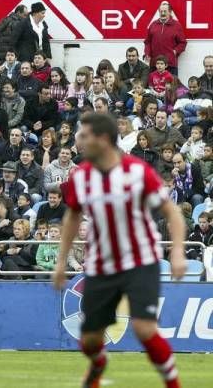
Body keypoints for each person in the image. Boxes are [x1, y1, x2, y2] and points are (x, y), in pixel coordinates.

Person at [53, 112, 186, 388]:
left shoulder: (137, 172)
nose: (79, 141)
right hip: (102, 264)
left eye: (84, 136)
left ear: (102, 139)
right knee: (89, 338)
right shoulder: (82, 176)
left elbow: (171, 211)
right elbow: (72, 218)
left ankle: (172, 381)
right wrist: (61, 260)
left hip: (141, 260)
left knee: (144, 328)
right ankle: (99, 362)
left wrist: (177, 252)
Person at [144, 1, 186, 75]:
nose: (163, 13)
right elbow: (147, 42)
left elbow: (182, 43)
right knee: (154, 86)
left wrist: (175, 51)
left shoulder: (176, 25)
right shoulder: (153, 25)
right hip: (155, 64)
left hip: (170, 64)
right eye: (161, 11)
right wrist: (147, 53)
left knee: (171, 86)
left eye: (165, 11)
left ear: (170, 12)